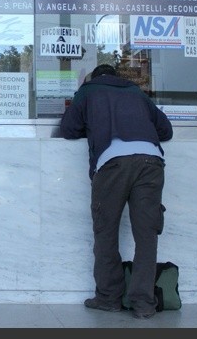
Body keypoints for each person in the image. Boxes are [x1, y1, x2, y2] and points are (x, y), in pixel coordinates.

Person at [59, 64, 173, 319]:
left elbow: (68, 129)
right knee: (147, 235)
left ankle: (108, 298)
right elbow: (166, 131)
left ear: (93, 78)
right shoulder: (136, 92)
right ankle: (144, 304)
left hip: (113, 164)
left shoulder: (88, 91)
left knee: (106, 231)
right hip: (151, 162)